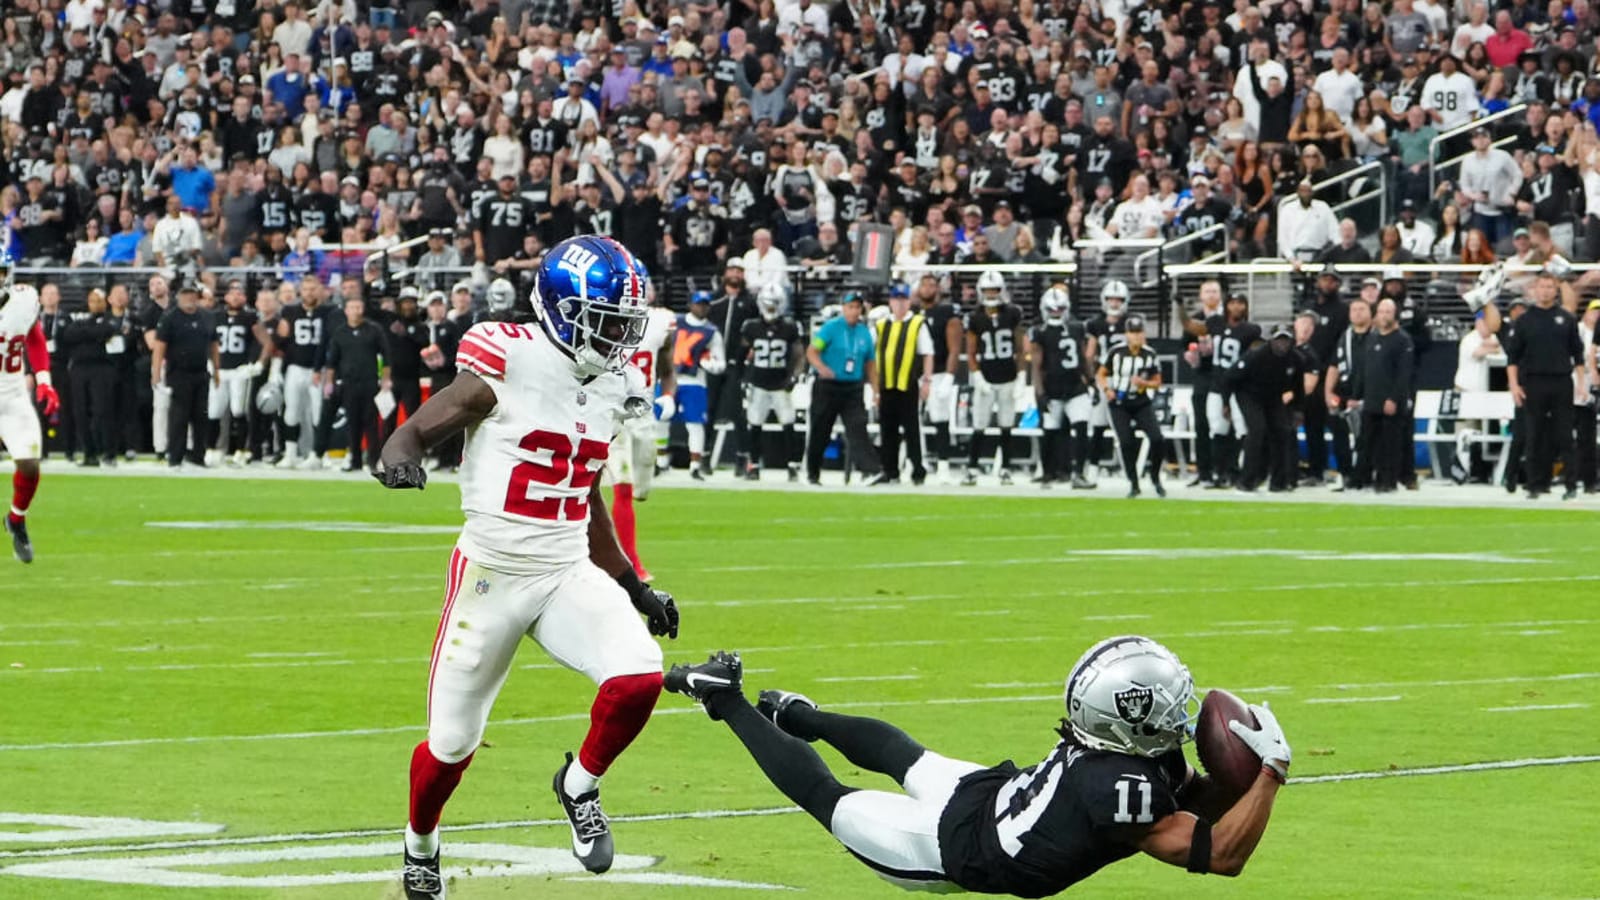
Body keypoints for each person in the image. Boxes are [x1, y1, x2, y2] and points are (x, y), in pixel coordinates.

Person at [372, 237, 679, 898]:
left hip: (565, 569)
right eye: (607, 320)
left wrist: (633, 585)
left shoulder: (616, 382)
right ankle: (420, 845)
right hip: (492, 574)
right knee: (450, 745)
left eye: (627, 321)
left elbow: (582, 492)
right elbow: (423, 426)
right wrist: (400, 452)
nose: (621, 337)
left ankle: (579, 785)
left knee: (638, 677)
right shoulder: (508, 357)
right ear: (565, 311)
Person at [662, 637, 1289, 895]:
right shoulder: (1115, 784)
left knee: (906, 756)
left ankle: (800, 715)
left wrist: (1236, 779)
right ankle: (725, 697)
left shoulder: (1119, 752)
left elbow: (1194, 801)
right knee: (828, 796)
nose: (1180, 707)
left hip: (997, 797)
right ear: (1126, 720)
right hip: (949, 850)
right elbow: (1220, 854)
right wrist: (1268, 775)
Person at [609, 275, 676, 581]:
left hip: (644, 415)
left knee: (640, 491)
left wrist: (668, 395)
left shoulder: (661, 322)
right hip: (612, 415)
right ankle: (630, 563)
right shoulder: (605, 319)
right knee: (621, 487)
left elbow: (667, 367)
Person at [1505, 270, 1585, 499]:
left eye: (1550, 287)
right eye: (1542, 286)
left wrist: (1580, 383)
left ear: (1556, 290)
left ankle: (1571, 485)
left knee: (1565, 435)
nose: (1546, 291)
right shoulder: (1525, 320)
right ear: (1535, 289)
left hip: (1561, 381)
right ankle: (1534, 484)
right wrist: (1514, 385)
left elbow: (1577, 354)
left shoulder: (1566, 319)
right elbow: (1513, 357)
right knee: (1534, 435)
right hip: (1534, 381)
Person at [0, 258, 60, 562]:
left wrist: (44, 381)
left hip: (11, 396)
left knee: (29, 465)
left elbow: (34, 337)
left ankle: (16, 519)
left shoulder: (23, 301)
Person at [805, 292, 881, 484]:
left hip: (852, 387)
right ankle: (812, 472)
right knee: (821, 430)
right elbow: (812, 351)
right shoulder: (830, 328)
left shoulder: (864, 332)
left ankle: (870, 470)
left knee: (858, 427)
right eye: (850, 307)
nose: (854, 311)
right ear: (844, 308)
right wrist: (822, 368)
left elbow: (870, 363)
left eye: (857, 307)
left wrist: (875, 389)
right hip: (828, 386)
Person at [962, 271, 1024, 486]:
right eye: (987, 290)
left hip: (1008, 376)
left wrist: (1022, 375)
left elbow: (1020, 346)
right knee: (979, 424)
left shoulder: (1013, 313)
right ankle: (972, 468)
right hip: (986, 377)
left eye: (994, 290)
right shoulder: (975, 317)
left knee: (1006, 424)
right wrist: (977, 375)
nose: (990, 294)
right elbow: (970, 352)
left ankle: (1005, 468)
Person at [1029, 285, 1093, 489]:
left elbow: (1083, 357)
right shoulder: (1040, 332)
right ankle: (1048, 473)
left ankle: (1079, 473)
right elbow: (1036, 365)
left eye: (1059, 309)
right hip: (1053, 389)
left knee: (1081, 427)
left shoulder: (1077, 327)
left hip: (1075, 386)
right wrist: (1039, 393)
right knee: (1049, 431)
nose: (1056, 313)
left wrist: (1091, 381)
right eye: (1052, 310)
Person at [150, 284, 219, 469]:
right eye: (185, 295)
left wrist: (217, 371)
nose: (189, 298)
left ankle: (198, 456)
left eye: (192, 295)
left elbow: (213, 344)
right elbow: (159, 347)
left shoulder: (207, 316)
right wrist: (156, 374)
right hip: (178, 373)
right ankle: (175, 456)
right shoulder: (170, 317)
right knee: (179, 416)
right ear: (179, 297)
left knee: (201, 416)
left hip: (201, 372)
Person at [739, 283, 803, 482]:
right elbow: (742, 354)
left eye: (775, 304)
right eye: (768, 304)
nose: (771, 308)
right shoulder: (751, 327)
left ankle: (792, 466)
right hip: (758, 383)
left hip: (781, 383)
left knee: (788, 424)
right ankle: (754, 465)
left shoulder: (790, 327)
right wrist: (743, 377)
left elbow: (798, 355)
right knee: (755, 424)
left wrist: (794, 376)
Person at [1097, 315, 1166, 498]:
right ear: (1126, 334)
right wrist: (1106, 389)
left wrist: (1144, 382)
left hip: (1141, 401)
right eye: (1132, 333)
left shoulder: (1150, 354)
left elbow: (1158, 382)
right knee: (1126, 442)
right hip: (1119, 403)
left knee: (1157, 439)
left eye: (1139, 333)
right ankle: (1134, 483)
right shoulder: (1116, 352)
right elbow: (1101, 374)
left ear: (1144, 334)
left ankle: (1155, 476)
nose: (1136, 337)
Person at [872, 283, 933, 486]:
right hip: (886, 383)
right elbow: (871, 354)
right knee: (887, 429)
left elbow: (927, 353)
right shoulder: (881, 325)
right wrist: (873, 386)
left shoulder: (917, 323)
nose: (899, 304)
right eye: (896, 299)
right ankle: (890, 470)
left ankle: (917, 469)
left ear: (909, 301)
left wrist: (927, 380)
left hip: (907, 384)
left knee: (911, 428)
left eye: (903, 299)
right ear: (890, 301)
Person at [275, 279, 338, 469]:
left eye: (313, 289)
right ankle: (291, 453)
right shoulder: (290, 311)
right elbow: (281, 341)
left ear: (320, 290)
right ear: (299, 291)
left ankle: (319, 453)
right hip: (295, 367)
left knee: (319, 413)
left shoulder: (330, 312)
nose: (309, 293)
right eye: (305, 289)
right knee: (291, 411)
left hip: (318, 369)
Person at [324, 294, 390, 473]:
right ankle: (355, 460)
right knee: (352, 423)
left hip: (369, 383)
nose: (356, 311)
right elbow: (332, 361)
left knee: (371, 423)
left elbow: (386, 356)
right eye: (352, 307)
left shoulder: (374, 330)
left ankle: (373, 460)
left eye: (358, 307)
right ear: (346, 310)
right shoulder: (340, 332)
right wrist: (328, 382)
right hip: (349, 384)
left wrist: (385, 379)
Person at [207, 281, 269, 466]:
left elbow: (266, 342)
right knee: (214, 411)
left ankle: (241, 450)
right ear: (225, 297)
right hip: (220, 370)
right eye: (232, 293)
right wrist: (209, 361)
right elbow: (208, 341)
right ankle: (212, 449)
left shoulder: (249, 317)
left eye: (239, 293)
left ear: (244, 297)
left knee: (238, 411)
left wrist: (258, 364)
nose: (235, 296)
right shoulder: (215, 316)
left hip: (239, 370)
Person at [1362, 299, 1416, 493]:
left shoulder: (1402, 340)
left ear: (1395, 314)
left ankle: (1389, 480)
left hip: (1391, 402)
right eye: (1381, 311)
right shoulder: (1372, 338)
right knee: (1371, 443)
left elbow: (1404, 374)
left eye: (1388, 311)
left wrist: (1394, 398)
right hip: (1372, 400)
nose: (1384, 315)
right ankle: (1373, 477)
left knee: (1391, 443)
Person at [1326, 291, 1377, 491]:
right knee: (1339, 434)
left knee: (1367, 438)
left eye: (1361, 309)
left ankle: (1364, 475)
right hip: (1346, 394)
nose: (1357, 313)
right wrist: (1328, 392)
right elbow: (1334, 366)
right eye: (1353, 310)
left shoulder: (1377, 336)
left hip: (1371, 395)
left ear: (1370, 313)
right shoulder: (1344, 338)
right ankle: (1345, 473)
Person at [673, 290, 726, 479]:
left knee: (695, 423)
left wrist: (709, 364)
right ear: (690, 304)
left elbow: (721, 364)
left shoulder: (711, 332)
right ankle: (660, 461)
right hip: (670, 377)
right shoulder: (674, 322)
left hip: (694, 380)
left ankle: (695, 465)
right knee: (660, 418)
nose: (702, 307)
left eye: (705, 304)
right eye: (699, 303)